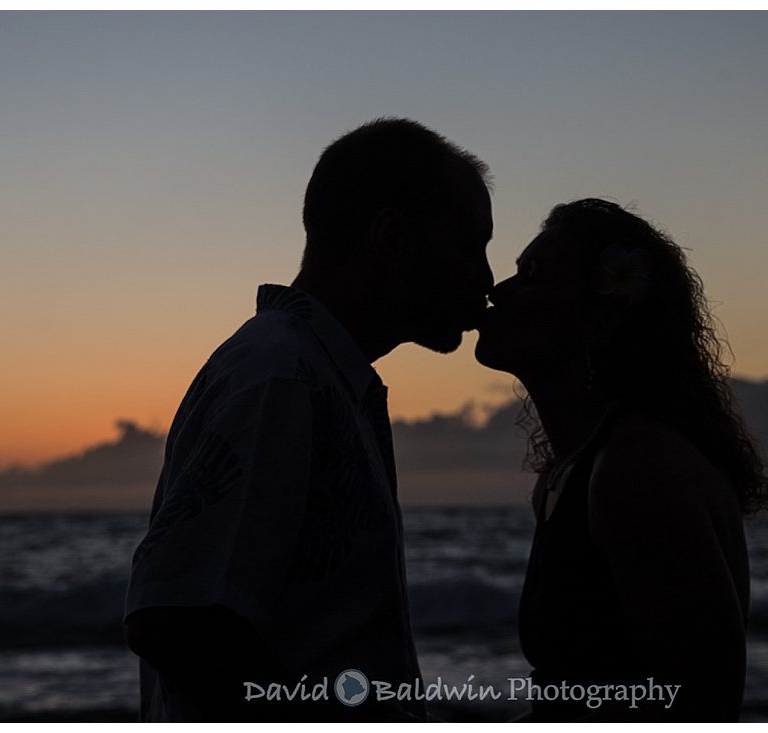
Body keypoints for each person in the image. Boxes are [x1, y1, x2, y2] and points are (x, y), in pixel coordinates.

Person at [123, 118, 493, 721]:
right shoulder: (280, 378)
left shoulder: (313, 376)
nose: (484, 279)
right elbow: (179, 621)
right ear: (392, 238)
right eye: (470, 244)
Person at [473, 199, 768, 721]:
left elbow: (701, 704)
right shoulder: (568, 473)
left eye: (533, 275)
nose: (498, 292)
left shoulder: (636, 470)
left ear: (599, 322)